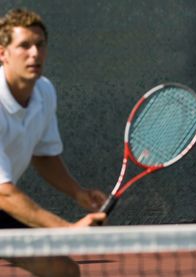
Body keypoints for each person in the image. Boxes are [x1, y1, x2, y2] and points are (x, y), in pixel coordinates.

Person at [0, 8, 107, 276]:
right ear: (3, 53)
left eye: (40, 45)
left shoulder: (44, 91)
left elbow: (44, 155)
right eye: (24, 45)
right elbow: (4, 193)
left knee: (62, 270)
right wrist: (67, 229)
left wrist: (76, 192)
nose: (34, 53)